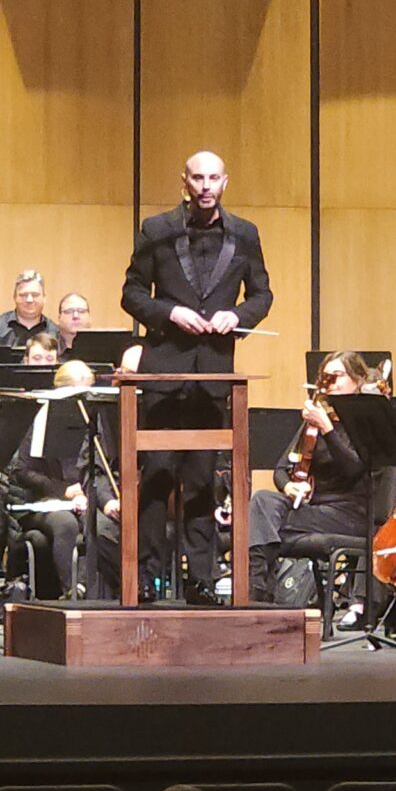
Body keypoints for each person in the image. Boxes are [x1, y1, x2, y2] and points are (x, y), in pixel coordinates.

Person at [120, 150, 273, 601]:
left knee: (204, 480)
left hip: (213, 374)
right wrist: (170, 312)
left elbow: (263, 294)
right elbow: (131, 293)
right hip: (164, 370)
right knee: (158, 475)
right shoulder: (157, 230)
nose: (205, 186)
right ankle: (148, 579)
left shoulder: (245, 234)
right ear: (183, 181)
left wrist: (237, 316)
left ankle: (201, 581)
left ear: (225, 181)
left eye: (213, 178)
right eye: (197, 178)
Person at [246, 352, 371, 610]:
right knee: (263, 500)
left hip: (349, 513)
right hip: (313, 509)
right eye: (326, 377)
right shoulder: (312, 425)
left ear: (358, 381)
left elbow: (355, 469)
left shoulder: (364, 422)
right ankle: (257, 588)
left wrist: (328, 428)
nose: (331, 383)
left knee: (264, 522)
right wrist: (289, 486)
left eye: (338, 376)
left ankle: (257, 592)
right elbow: (281, 469)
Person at [0, 360, 102, 601]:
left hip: (84, 497)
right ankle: (73, 590)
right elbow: (23, 471)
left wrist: (86, 492)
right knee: (66, 524)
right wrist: (64, 491)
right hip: (40, 501)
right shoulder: (39, 420)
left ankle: (92, 589)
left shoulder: (95, 421)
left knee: (97, 521)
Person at [0, 271, 64, 354]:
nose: (29, 300)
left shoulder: (56, 332)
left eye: (35, 295)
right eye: (23, 295)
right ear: (14, 297)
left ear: (44, 298)